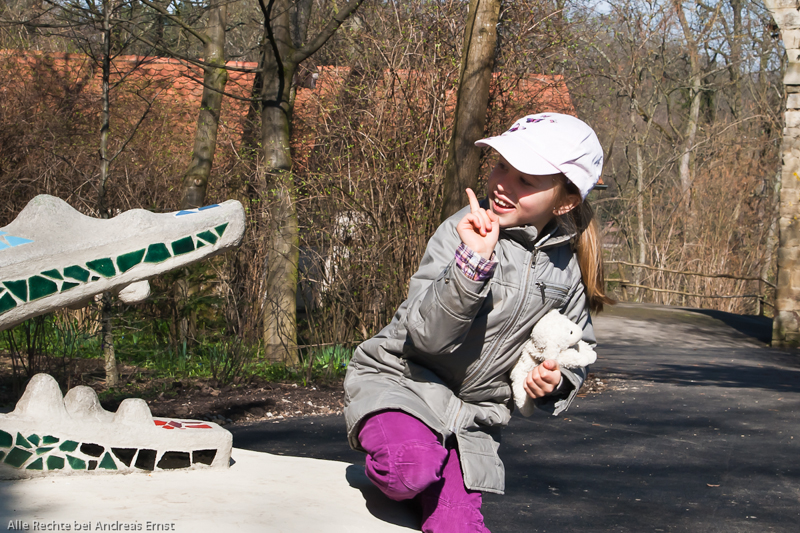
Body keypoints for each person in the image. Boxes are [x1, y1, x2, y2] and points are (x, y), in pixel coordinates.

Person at [343, 112, 613, 532]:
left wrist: (553, 383)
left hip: (471, 421)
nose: (504, 183)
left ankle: (433, 463)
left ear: (564, 201)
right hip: (404, 383)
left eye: (526, 179)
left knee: (459, 527)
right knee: (407, 472)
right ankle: (410, 456)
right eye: (502, 165)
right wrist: (473, 265)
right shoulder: (462, 231)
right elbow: (427, 338)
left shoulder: (567, 268)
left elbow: (578, 347)